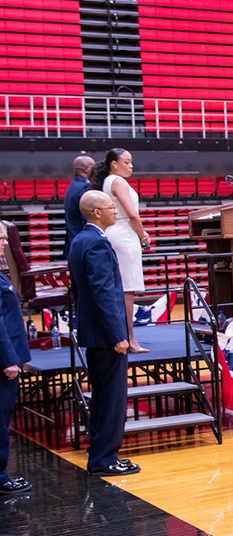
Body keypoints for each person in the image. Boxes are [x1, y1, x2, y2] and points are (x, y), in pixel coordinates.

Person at [68, 191, 139, 476]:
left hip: (92, 331)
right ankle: (104, 458)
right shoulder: (96, 243)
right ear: (96, 212)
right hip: (106, 335)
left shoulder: (78, 240)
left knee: (101, 395)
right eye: (111, 207)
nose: (114, 211)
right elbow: (104, 293)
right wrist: (117, 334)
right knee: (111, 398)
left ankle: (99, 451)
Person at [91, 148, 149, 354]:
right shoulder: (118, 181)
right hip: (124, 235)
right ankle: (130, 338)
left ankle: (123, 336)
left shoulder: (107, 181)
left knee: (122, 288)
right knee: (127, 290)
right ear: (114, 164)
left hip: (117, 232)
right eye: (127, 162)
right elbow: (132, 214)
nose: (131, 166)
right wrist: (143, 236)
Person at [0, 270, 31, 494]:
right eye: (1, 239)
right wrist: (8, 359)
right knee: (1, 418)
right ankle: (0, 476)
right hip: (4, 358)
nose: (4, 244)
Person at [62, 154, 94, 259]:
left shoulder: (72, 186)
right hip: (83, 245)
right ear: (86, 168)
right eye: (93, 167)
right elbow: (87, 218)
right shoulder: (85, 187)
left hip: (73, 241)